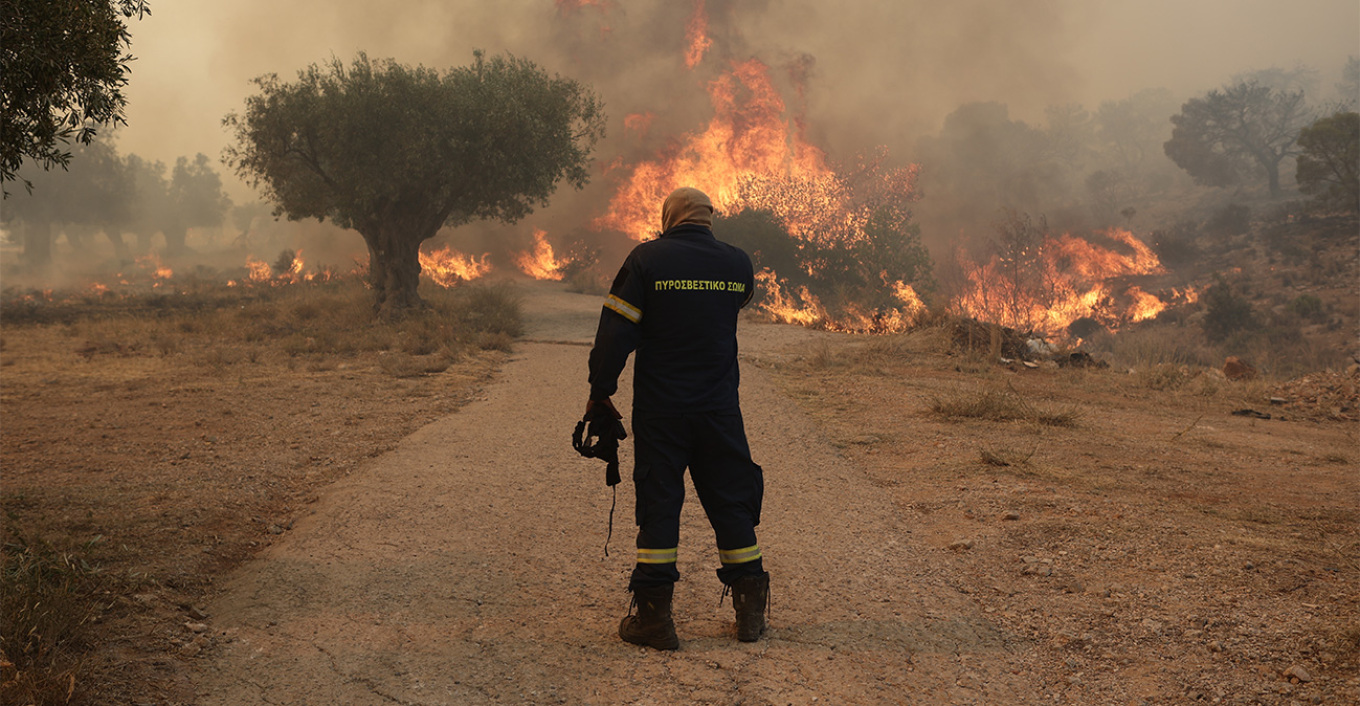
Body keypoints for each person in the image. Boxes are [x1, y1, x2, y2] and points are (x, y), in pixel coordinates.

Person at [585, 186, 769, 650]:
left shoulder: (647, 261)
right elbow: (732, 307)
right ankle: (750, 614)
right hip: (719, 409)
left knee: (661, 503)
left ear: (669, 218)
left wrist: (600, 392)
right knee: (730, 499)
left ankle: (654, 620)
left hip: (662, 411)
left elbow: (615, 334)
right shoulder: (737, 264)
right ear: (709, 218)